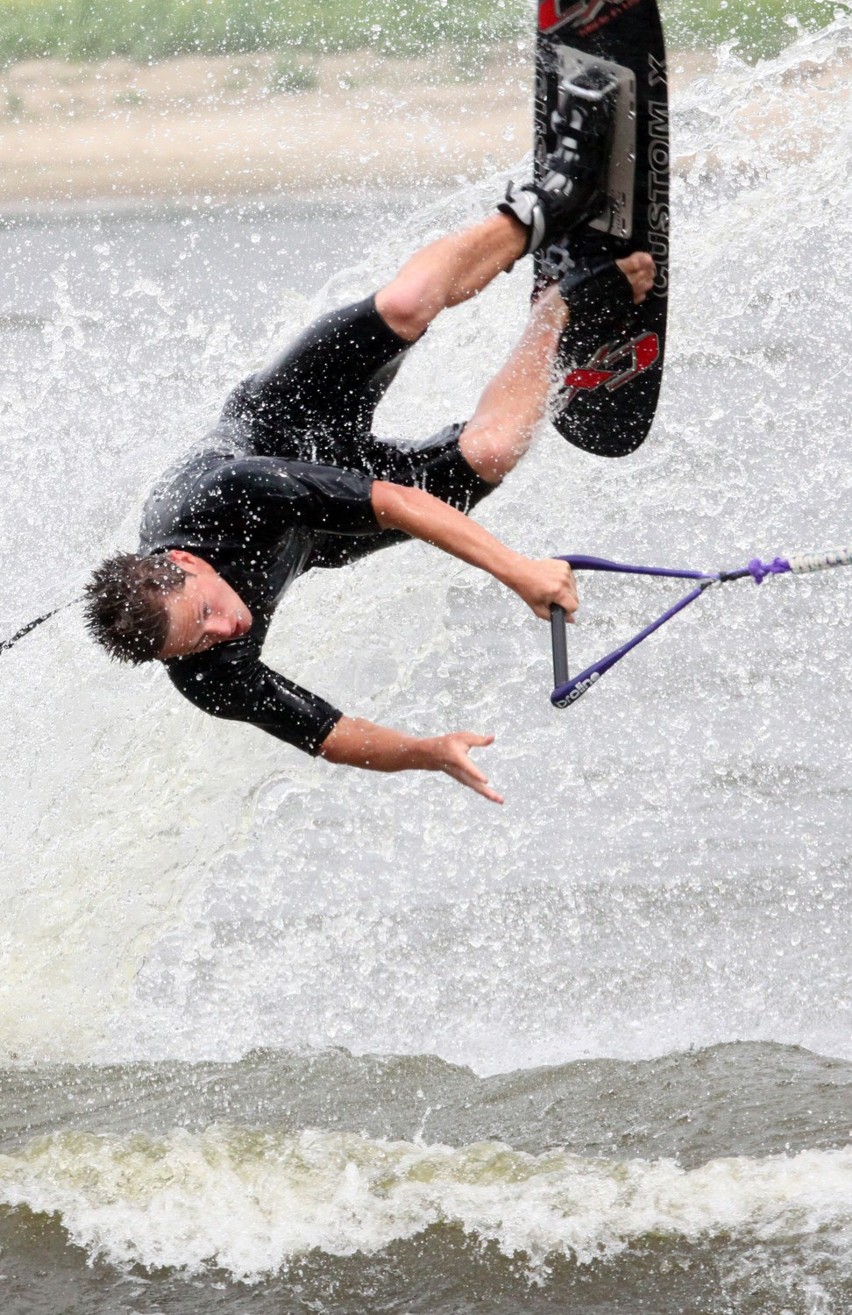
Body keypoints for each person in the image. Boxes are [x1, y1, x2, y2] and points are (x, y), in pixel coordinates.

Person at [84, 73, 654, 804]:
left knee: (408, 305)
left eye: (206, 614)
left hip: (291, 413)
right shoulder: (206, 672)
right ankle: (560, 307)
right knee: (489, 456)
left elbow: (394, 502)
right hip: (324, 531)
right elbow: (329, 734)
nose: (228, 629)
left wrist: (517, 571)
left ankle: (547, 202)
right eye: (198, 641)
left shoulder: (219, 499)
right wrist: (429, 752)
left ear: (186, 561)